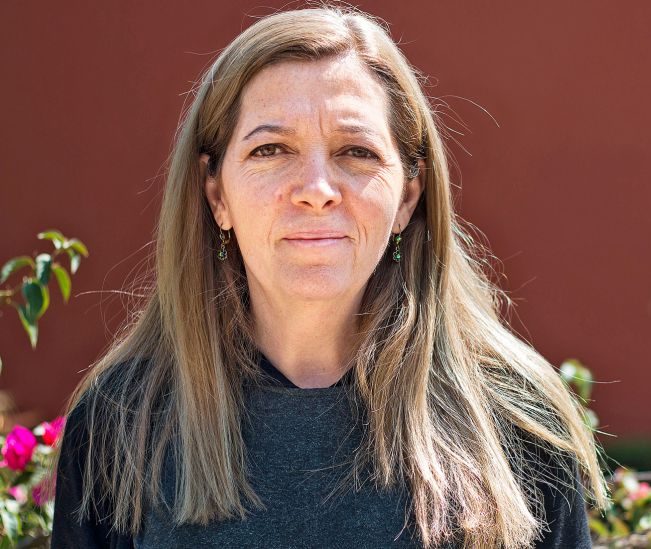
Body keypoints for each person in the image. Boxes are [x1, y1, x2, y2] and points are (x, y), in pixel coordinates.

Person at [50, 4, 610, 548]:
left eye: (356, 152)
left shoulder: (514, 417)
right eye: (271, 149)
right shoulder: (122, 419)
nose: (316, 189)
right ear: (216, 193)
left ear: (408, 196)